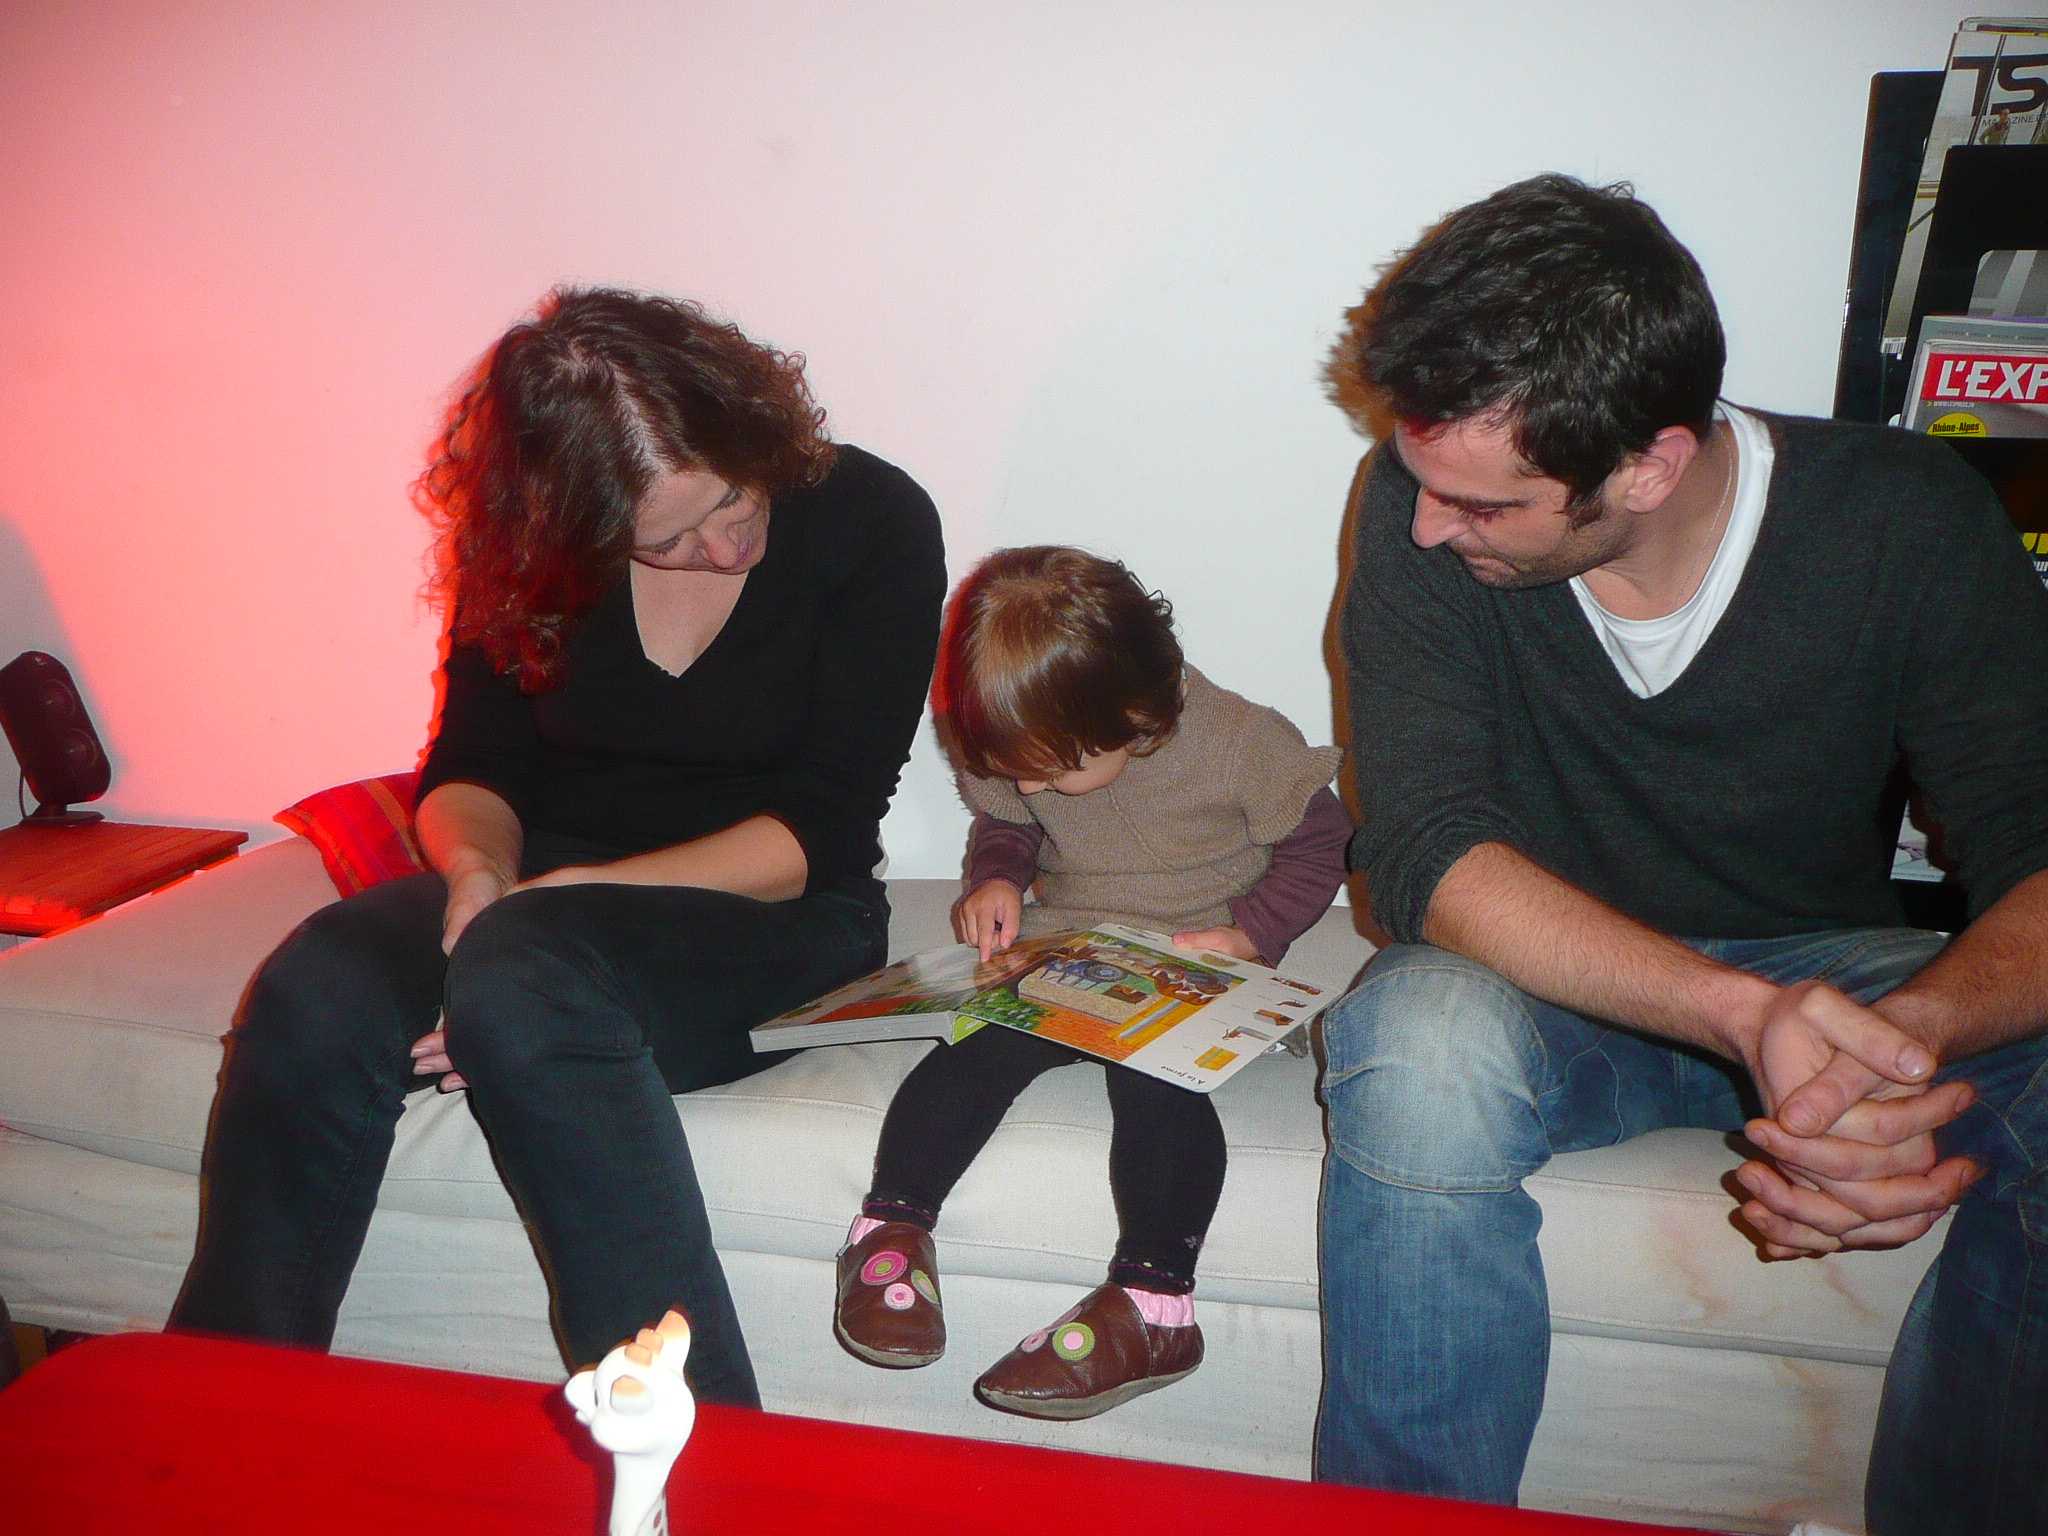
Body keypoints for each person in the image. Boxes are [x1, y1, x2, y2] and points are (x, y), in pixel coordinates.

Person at [1316, 174, 2048, 1535]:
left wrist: (1900, 1046)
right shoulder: (1419, 506)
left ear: (1647, 467)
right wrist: (1739, 1015)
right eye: (1423, 487)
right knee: (1415, 1046)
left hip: (1826, 972)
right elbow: (1424, 850)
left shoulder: (1904, 516)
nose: (1426, 527)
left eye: (1483, 506)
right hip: (1542, 991)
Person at [171, 287, 946, 1407]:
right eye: (665, 540)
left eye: (732, 499)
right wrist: (479, 877)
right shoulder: (535, 553)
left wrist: (555, 905)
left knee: (527, 984)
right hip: (540, 914)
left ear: (750, 432)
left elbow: (822, 827)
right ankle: (219, 1416)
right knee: (323, 976)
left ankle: (700, 1454)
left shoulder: (870, 518)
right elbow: (471, 767)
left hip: (775, 916)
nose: (723, 548)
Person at [831, 546, 1349, 1418]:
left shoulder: (1239, 743)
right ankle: (889, 1227)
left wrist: (1252, 933)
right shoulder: (1026, 753)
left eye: (1052, 770)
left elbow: (1322, 844)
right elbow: (1009, 822)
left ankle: (1154, 1303)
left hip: (1195, 957)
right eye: (1015, 768)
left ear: (1136, 718)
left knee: (1159, 1085)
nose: (1033, 786)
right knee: (973, 1051)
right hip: (1066, 947)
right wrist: (997, 878)